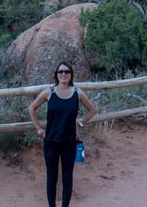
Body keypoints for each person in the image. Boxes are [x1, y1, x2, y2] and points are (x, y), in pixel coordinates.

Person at [29, 61, 98, 207]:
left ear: (71, 74)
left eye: (67, 71)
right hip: (51, 141)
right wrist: (38, 128)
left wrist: (80, 124)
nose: (63, 74)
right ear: (56, 74)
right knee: (51, 177)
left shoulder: (78, 93)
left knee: (67, 177)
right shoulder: (49, 92)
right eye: (60, 72)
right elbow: (32, 108)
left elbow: (93, 110)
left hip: (69, 141)